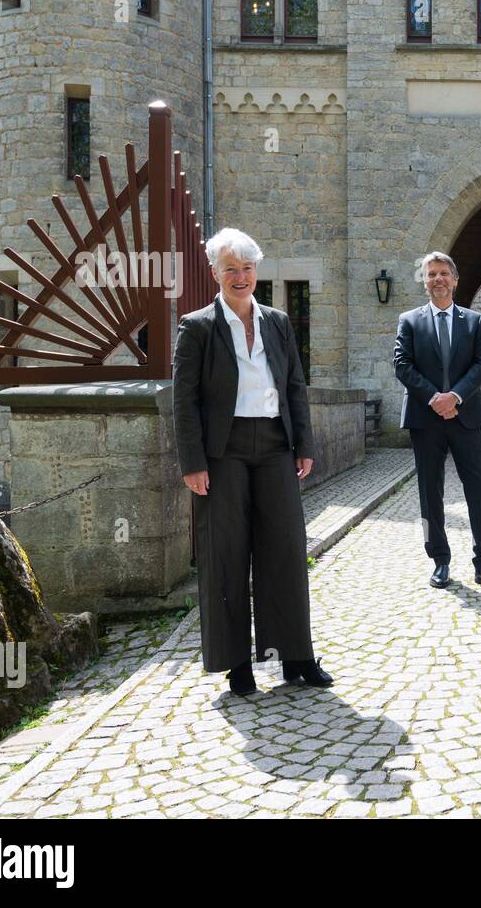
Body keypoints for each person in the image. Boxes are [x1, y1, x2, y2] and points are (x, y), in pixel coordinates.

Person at [172, 228, 333, 696]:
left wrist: (304, 444)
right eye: (230, 270)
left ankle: (294, 656)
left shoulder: (278, 322)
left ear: (256, 271)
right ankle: (235, 662)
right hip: (223, 451)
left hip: (275, 445)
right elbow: (185, 400)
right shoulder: (197, 326)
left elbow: (295, 387)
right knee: (226, 552)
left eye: (247, 268)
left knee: (285, 548)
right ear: (215, 275)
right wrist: (192, 462)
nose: (240, 277)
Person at [393, 251, 481, 591]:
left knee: (478, 491)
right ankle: (439, 560)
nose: (438, 279)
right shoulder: (409, 321)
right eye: (431, 274)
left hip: (465, 417)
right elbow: (402, 364)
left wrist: (454, 397)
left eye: (443, 273)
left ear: (455, 280)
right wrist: (434, 398)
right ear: (424, 281)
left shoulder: (474, 321)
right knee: (430, 492)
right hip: (424, 419)